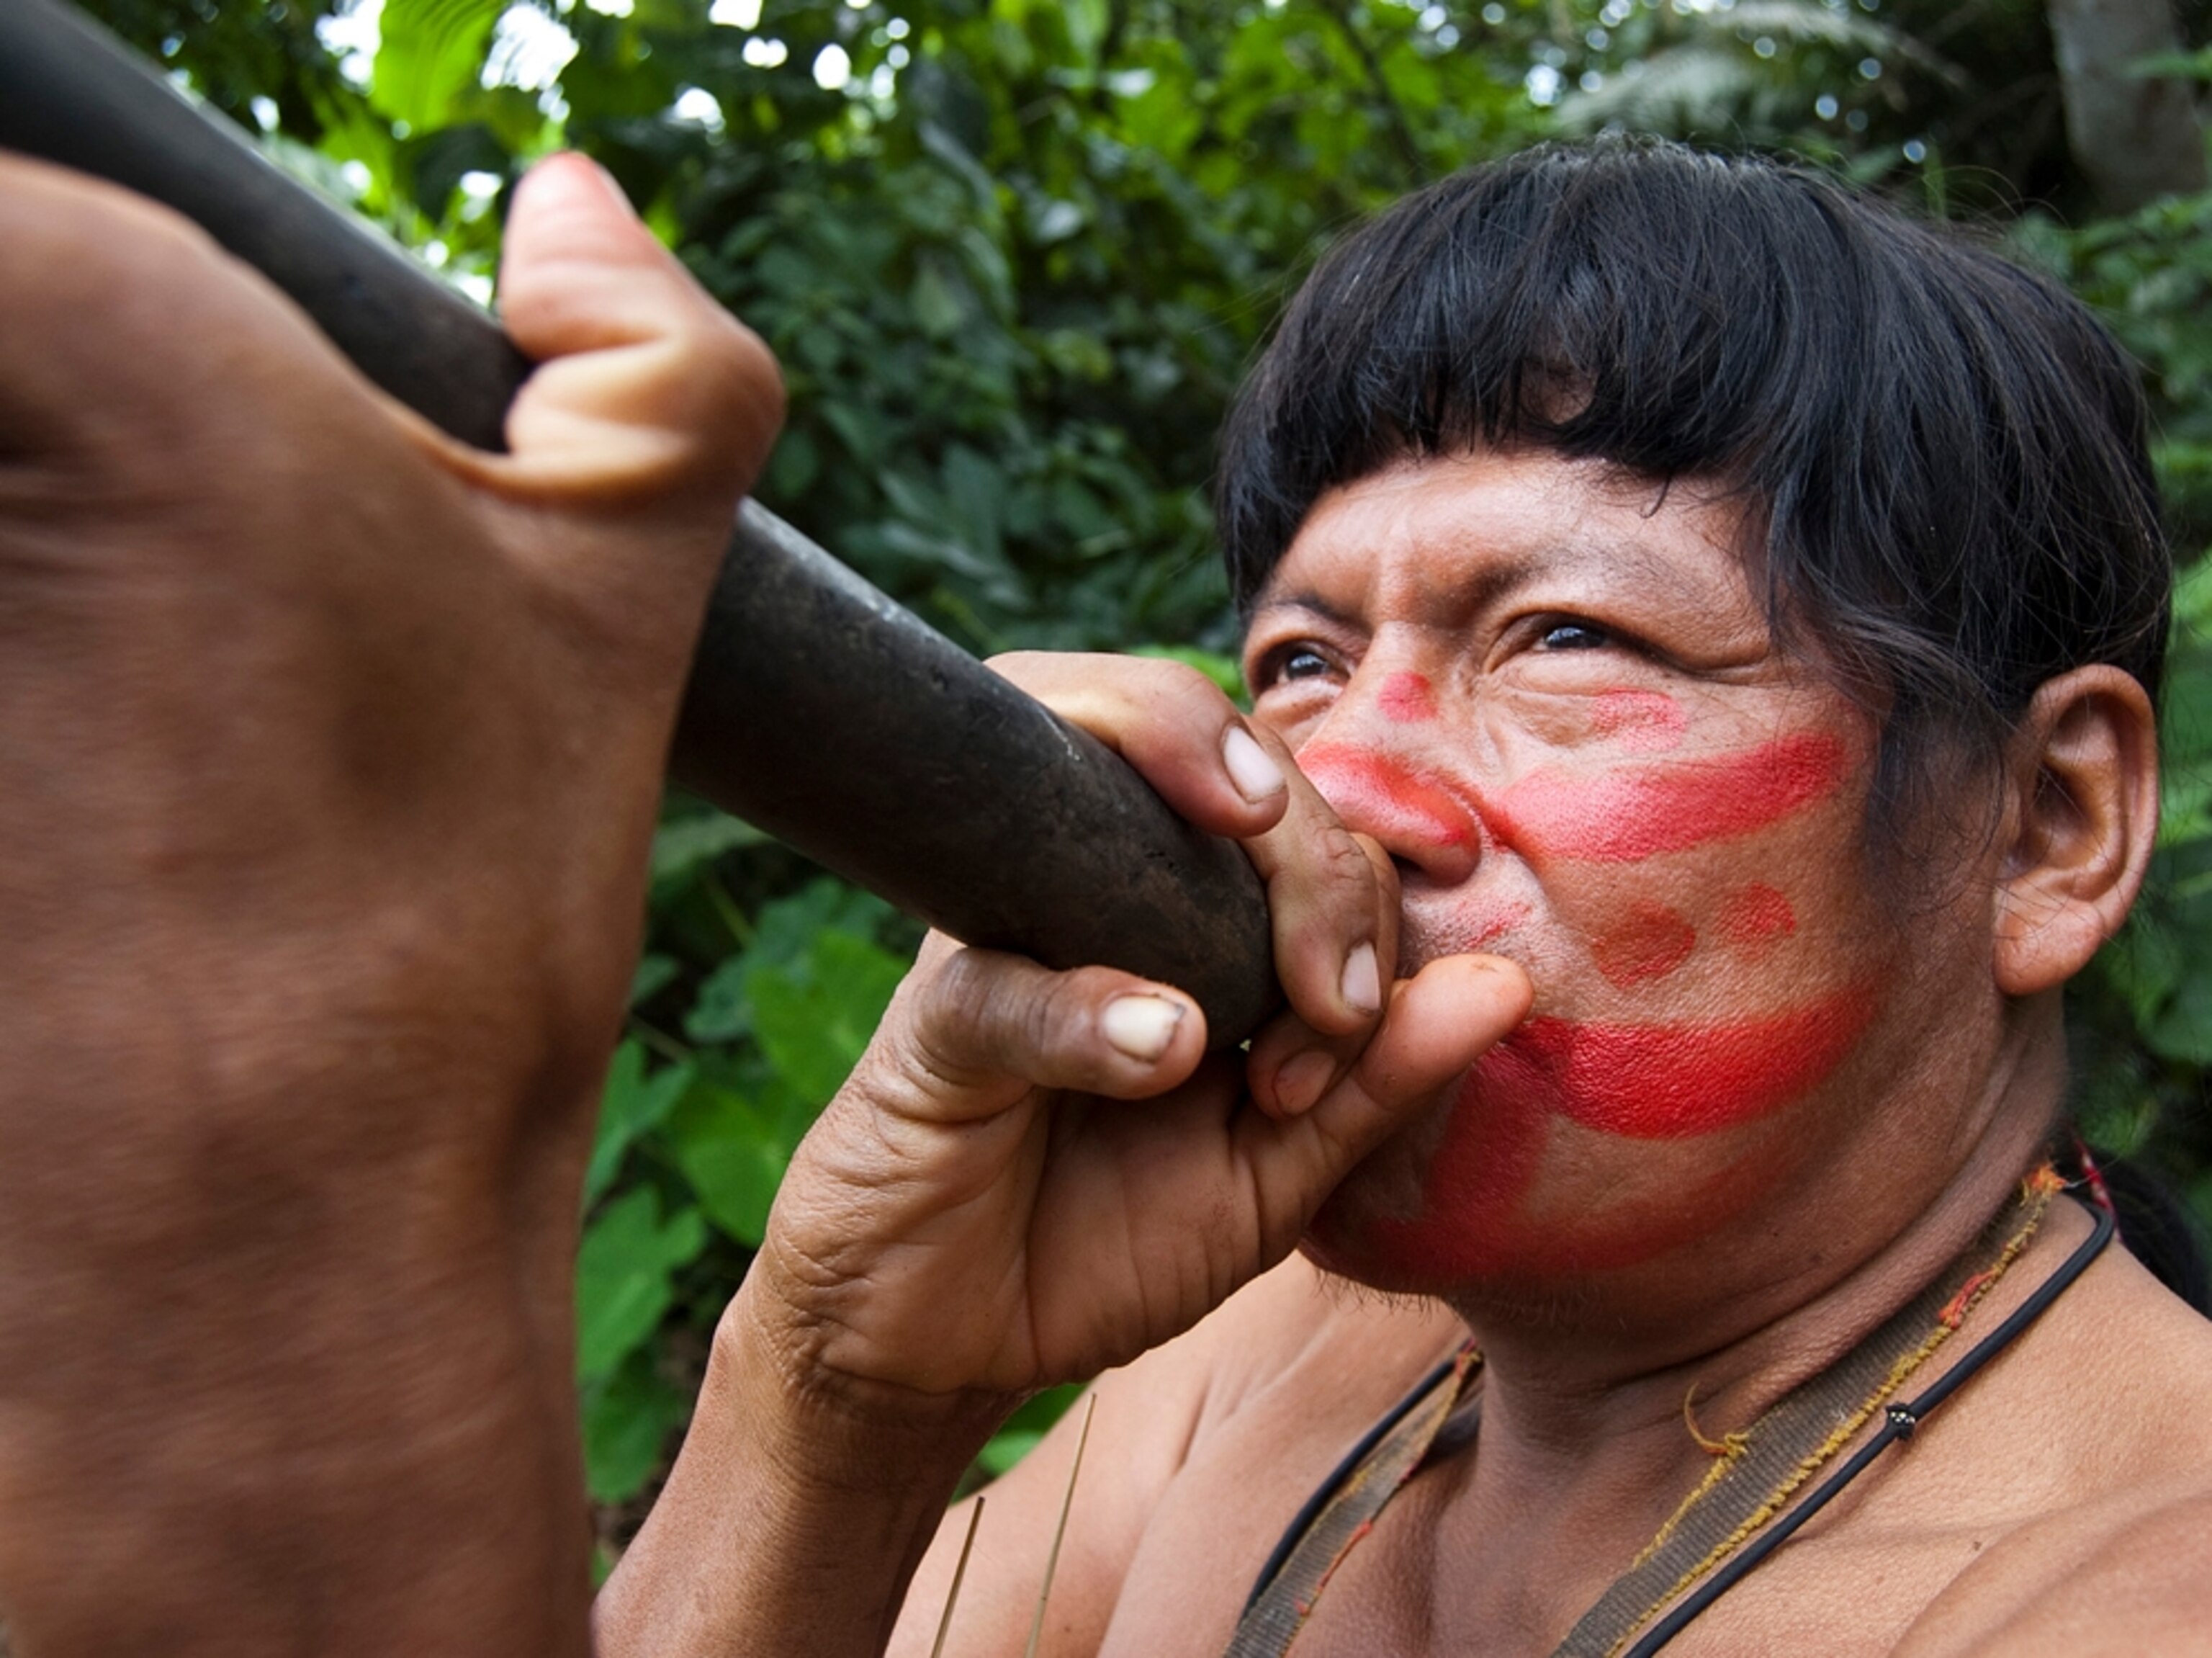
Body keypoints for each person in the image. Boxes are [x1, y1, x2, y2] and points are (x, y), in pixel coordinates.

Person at [0, 131, 2206, 1658]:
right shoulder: (1279, 1358)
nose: (1341, 795)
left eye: (1567, 638)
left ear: (2048, 828)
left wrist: (331, 1140)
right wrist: (837, 1388)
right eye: (1301, 663)